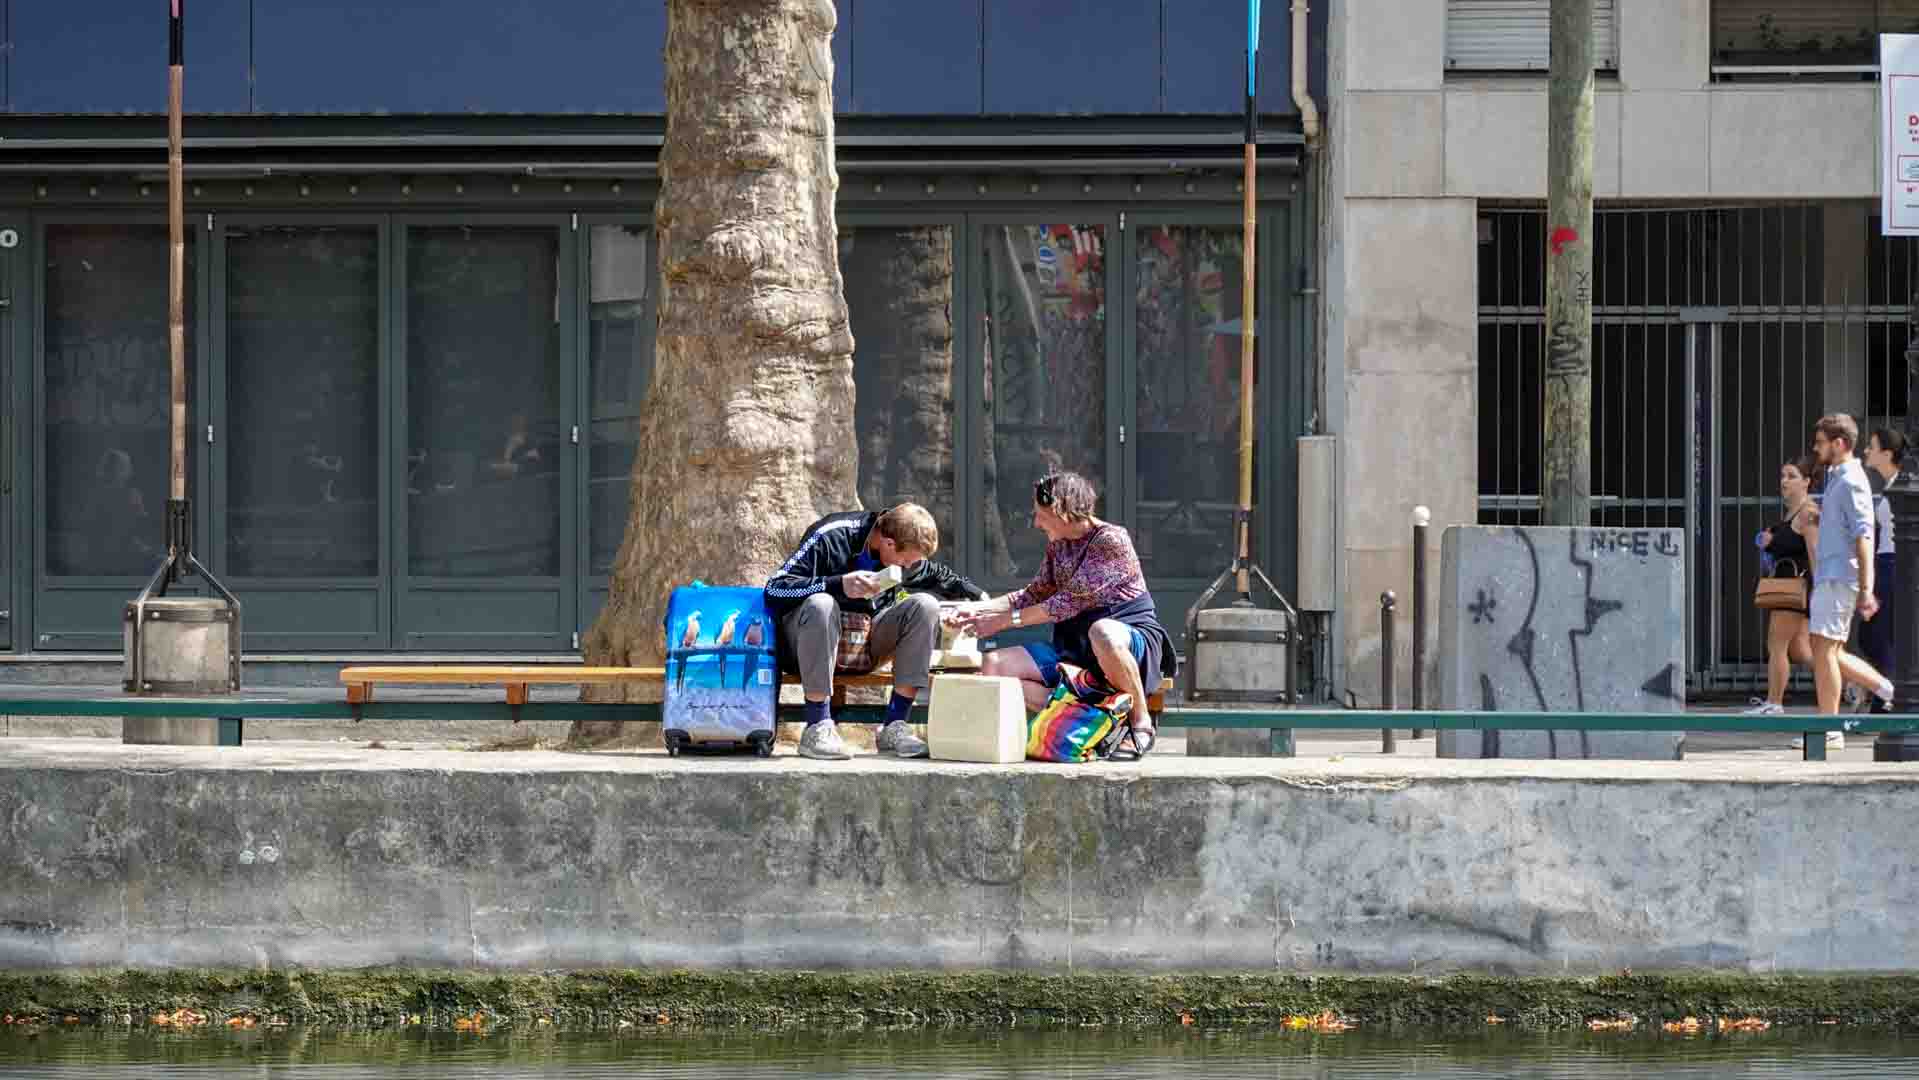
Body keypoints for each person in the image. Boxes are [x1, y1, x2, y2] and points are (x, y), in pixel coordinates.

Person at [955, 471, 1178, 760]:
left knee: (1103, 632)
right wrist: (976, 609)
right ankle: (1089, 719)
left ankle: (1140, 723)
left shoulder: (1111, 540)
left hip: (1125, 642)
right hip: (1075, 647)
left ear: (1062, 510)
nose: (1036, 523)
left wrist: (1001, 622)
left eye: (1041, 515)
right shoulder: (1059, 544)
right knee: (994, 665)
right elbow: (1034, 594)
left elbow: (1061, 605)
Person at [764, 503, 985, 761]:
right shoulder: (832, 535)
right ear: (889, 543)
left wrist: (980, 597)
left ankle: (894, 725)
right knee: (821, 604)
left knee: (925, 605)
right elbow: (775, 589)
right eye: (906, 561)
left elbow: (937, 575)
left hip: (866, 643)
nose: (909, 567)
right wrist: (836, 584)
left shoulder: (903, 557)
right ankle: (817, 727)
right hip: (811, 645)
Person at [1803, 414, 1896, 750]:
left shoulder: (1852, 480)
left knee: (1825, 650)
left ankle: (1830, 729)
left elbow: (1864, 536)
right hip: (1833, 575)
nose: (1816, 449)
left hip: (1839, 576)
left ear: (1839, 443)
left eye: (1821, 443)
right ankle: (1888, 691)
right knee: (1826, 649)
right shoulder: (1838, 478)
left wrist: (1867, 589)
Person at [1743, 456, 1817, 717]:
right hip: (1790, 587)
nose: (1784, 481)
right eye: (1783, 476)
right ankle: (1853, 681)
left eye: (1792, 476)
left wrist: (1818, 589)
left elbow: (1814, 552)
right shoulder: (1792, 513)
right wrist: (1771, 540)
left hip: (1795, 588)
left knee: (1776, 644)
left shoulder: (1808, 513)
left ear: (1806, 482)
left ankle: (1774, 702)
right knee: (1801, 650)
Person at [1860, 427, 1907, 713]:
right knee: (1872, 635)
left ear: (1887, 454)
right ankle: (1885, 692)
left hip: (1894, 564)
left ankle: (1885, 697)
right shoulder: (1891, 485)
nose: (1866, 451)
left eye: (1872, 446)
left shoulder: (1904, 484)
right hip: (1884, 563)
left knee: (1880, 634)